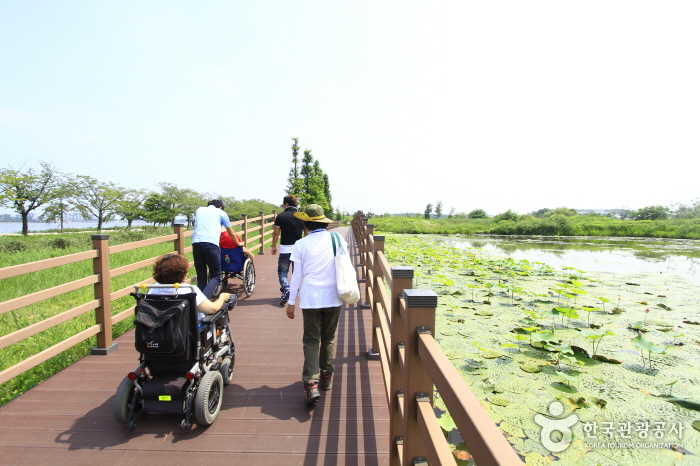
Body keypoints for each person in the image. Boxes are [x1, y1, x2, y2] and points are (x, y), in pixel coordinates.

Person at [285, 204, 346, 406]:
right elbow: (345, 267)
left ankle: (311, 383)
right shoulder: (337, 239)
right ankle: (326, 376)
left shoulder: (300, 244)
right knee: (329, 338)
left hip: (311, 298)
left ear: (305, 223)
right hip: (333, 297)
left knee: (311, 340)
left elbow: (296, 277)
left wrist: (291, 302)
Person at [148, 254, 235, 324]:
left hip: (161, 330)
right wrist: (222, 297)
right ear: (181, 274)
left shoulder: (153, 288)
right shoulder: (188, 289)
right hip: (188, 334)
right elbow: (212, 309)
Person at [191, 199, 238, 297]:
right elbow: (231, 232)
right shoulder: (221, 213)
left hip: (196, 244)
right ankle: (204, 299)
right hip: (211, 244)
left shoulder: (199, 210)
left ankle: (198, 302)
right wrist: (237, 243)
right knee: (216, 276)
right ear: (220, 206)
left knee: (201, 276)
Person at [271, 195, 305, 306]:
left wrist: (273, 246)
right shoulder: (302, 216)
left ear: (286, 204)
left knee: (282, 272)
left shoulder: (281, 216)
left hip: (285, 248)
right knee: (297, 272)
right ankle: (293, 291)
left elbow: (276, 233)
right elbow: (307, 233)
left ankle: (286, 288)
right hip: (299, 249)